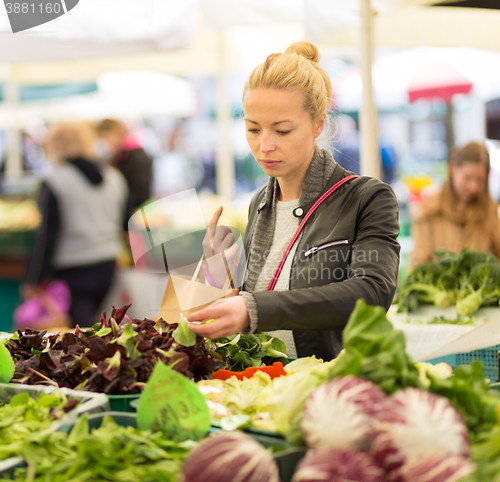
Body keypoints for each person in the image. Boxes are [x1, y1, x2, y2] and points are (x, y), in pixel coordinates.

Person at [185, 42, 400, 361]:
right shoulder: (260, 202)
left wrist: (253, 309)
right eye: (253, 129)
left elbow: (371, 293)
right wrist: (220, 271)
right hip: (265, 384)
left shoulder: (367, 198)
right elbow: (254, 299)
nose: (264, 146)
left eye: (282, 131)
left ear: (318, 124)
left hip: (330, 386)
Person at [23, 122, 129, 328]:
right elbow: (125, 224)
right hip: (108, 267)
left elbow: (47, 235)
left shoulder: (54, 180)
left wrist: (34, 279)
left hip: (72, 273)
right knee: (102, 332)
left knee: (76, 339)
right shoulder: (115, 177)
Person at [410, 141, 500, 270]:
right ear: (453, 168)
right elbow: (418, 266)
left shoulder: (490, 211)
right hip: (439, 289)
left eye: (480, 180)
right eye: (467, 178)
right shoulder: (428, 211)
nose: (473, 187)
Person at [96, 119, 153, 212]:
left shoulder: (135, 157)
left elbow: (140, 193)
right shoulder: (119, 156)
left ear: (115, 134)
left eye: (105, 137)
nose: (105, 142)